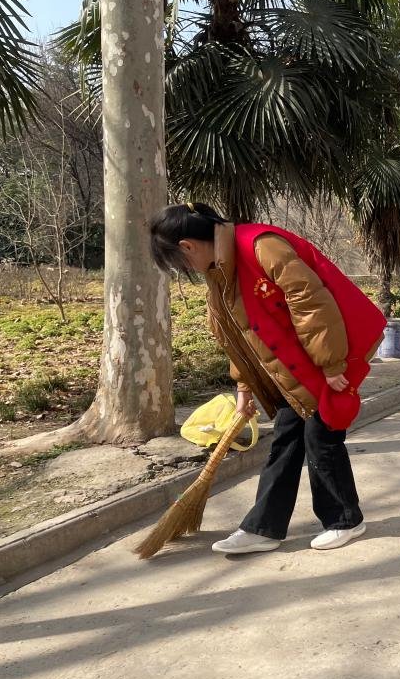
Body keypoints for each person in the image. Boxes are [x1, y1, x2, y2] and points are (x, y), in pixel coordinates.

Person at [148, 203, 386, 554]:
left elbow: (311, 303)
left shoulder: (261, 246)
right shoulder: (220, 271)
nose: (186, 270)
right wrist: (245, 388)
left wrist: (333, 364)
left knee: (322, 434)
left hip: (334, 351)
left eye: (179, 263)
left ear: (188, 246)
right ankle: (263, 528)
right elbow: (238, 337)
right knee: (287, 437)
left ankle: (345, 520)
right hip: (298, 363)